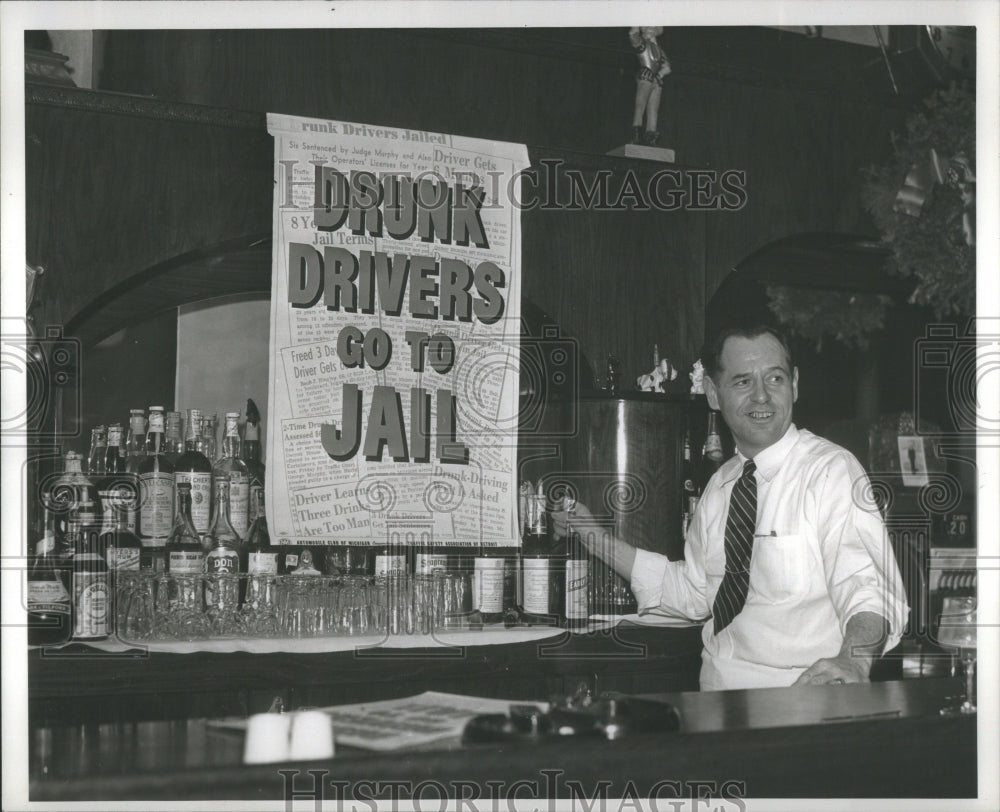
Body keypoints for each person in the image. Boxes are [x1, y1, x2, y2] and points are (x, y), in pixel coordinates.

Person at [553, 324, 908, 691]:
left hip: (800, 697)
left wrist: (854, 658)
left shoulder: (829, 470)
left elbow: (865, 584)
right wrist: (594, 538)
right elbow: (693, 592)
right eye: (742, 382)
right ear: (712, 392)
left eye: (775, 378)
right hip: (716, 697)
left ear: (795, 384)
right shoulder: (721, 486)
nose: (762, 397)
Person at [629, 27, 671, 146]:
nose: (649, 31)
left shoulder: (659, 50)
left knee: (653, 109)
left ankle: (651, 136)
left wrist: (659, 75)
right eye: (647, 29)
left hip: (655, 80)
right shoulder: (643, 45)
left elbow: (667, 68)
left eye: (652, 29)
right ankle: (637, 134)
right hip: (646, 77)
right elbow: (633, 35)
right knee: (640, 106)